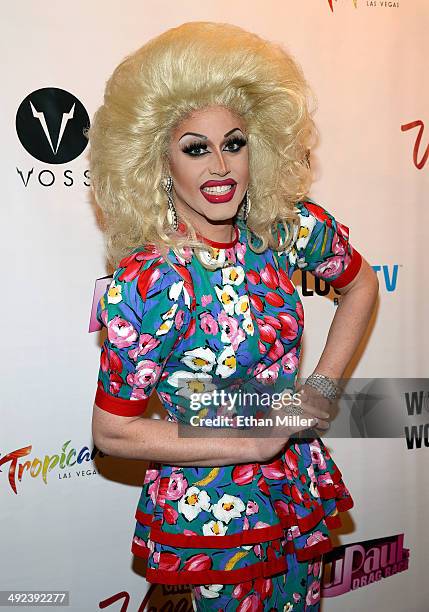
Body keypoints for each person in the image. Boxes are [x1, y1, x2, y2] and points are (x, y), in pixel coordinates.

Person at [88, 21, 379, 611]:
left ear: (259, 145)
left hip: (293, 491)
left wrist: (319, 389)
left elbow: (362, 285)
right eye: (195, 147)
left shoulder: (283, 229)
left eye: (235, 142)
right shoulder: (151, 282)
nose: (219, 166)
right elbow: (112, 431)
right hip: (210, 516)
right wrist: (249, 442)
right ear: (158, 161)